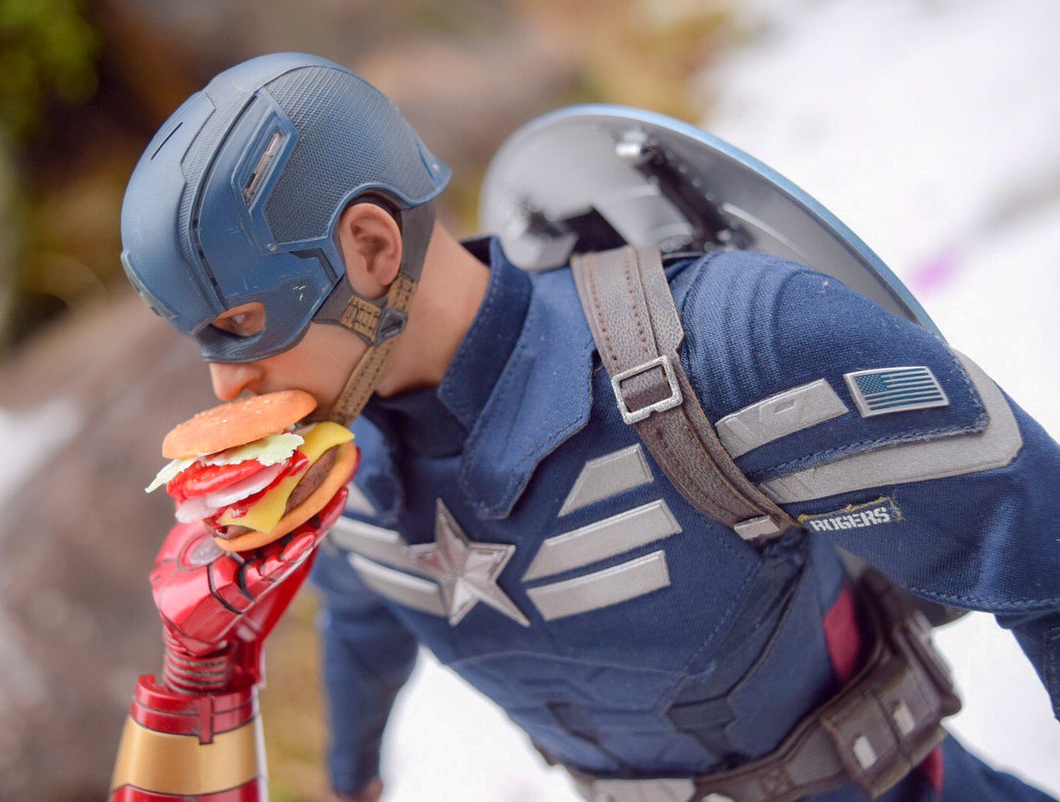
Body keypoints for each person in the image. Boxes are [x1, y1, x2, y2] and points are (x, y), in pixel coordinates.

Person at [113, 53, 1060, 802]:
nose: (227, 385)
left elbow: (1044, 554)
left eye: (244, 325)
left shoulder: (729, 349)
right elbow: (364, 624)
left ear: (368, 247)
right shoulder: (339, 480)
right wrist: (283, 731)